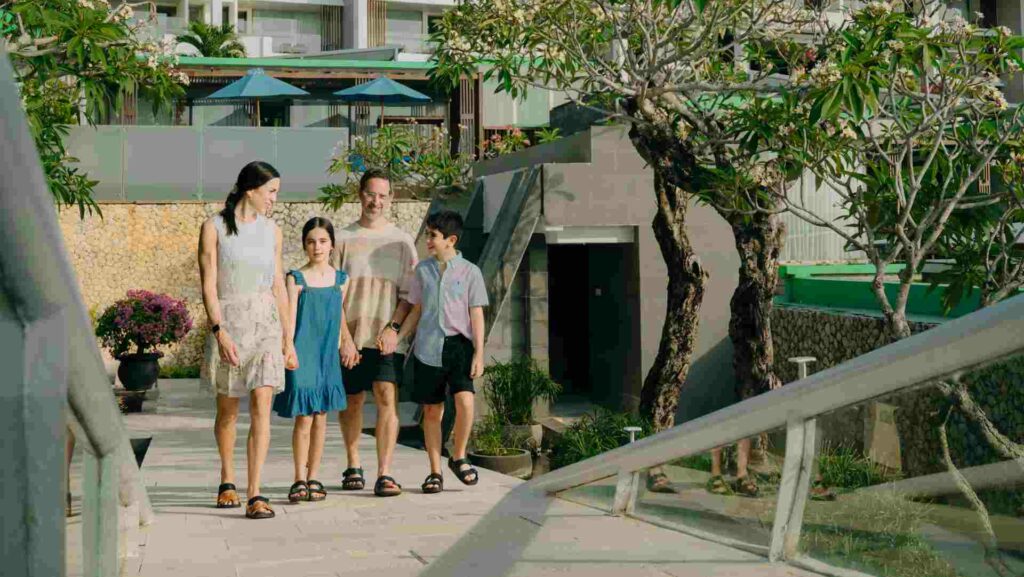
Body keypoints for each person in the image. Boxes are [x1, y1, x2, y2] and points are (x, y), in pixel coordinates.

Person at [198, 160, 296, 520]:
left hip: (266, 324)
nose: (274, 199)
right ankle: (228, 481)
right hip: (230, 323)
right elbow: (208, 283)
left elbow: (278, 286)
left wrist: (288, 339)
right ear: (250, 190)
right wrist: (218, 329)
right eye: (271, 192)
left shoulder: (273, 231)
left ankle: (256, 492)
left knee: (262, 406)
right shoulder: (213, 228)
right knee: (228, 410)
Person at [333, 168, 418, 497]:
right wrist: (345, 338)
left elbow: (409, 295)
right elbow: (331, 294)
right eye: (371, 194)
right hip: (351, 337)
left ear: (391, 199)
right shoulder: (342, 238)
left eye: (383, 195)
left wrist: (394, 329)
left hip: (385, 338)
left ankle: (385, 472)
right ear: (360, 194)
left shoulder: (401, 241)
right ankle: (353, 464)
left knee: (386, 397)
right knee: (352, 400)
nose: (376, 201)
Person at [397, 210, 488, 493]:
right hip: (427, 346)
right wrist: (399, 337)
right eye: (427, 234)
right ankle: (435, 470)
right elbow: (416, 309)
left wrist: (479, 353)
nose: (428, 240)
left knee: (465, 403)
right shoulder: (422, 270)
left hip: (459, 346)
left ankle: (458, 455)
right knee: (432, 411)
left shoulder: (471, 271)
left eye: (433, 236)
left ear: (451, 240)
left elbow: (476, 314)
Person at [273, 217, 349, 504]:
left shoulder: (342, 280)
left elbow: (340, 317)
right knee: (304, 417)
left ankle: (314, 476)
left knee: (321, 418)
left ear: (331, 244)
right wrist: (288, 348)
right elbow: (290, 318)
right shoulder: (295, 278)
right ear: (304, 244)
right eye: (310, 241)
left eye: (322, 241)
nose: (316, 247)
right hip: (302, 353)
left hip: (327, 355)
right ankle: (298, 479)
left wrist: (348, 343)